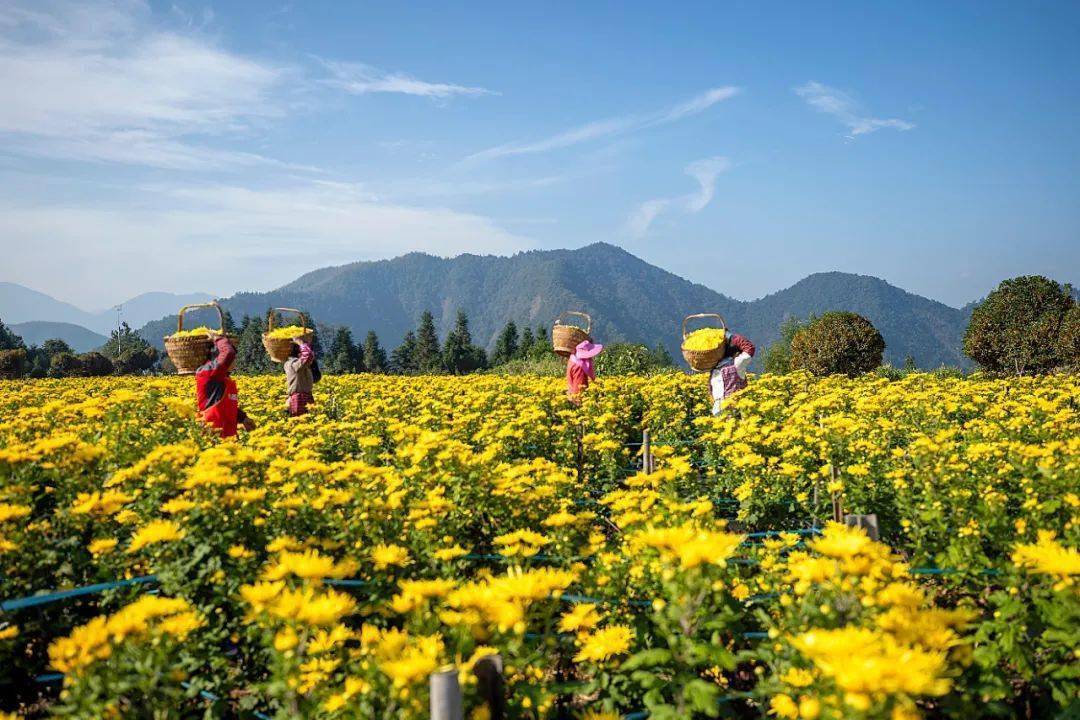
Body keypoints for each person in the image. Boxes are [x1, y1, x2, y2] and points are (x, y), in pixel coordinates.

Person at [195, 332, 256, 438]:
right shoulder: (208, 372)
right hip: (213, 435)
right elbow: (229, 352)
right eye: (233, 360)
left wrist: (243, 418)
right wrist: (218, 338)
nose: (234, 362)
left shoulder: (224, 378)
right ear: (218, 358)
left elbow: (226, 407)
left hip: (228, 436)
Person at [710, 332, 755, 416]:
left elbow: (711, 391)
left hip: (718, 414)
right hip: (736, 411)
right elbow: (749, 348)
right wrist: (730, 336)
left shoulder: (713, 369)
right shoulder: (737, 364)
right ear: (737, 353)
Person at [283, 336, 320, 416]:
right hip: (299, 399)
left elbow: (316, 377)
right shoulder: (293, 364)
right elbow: (308, 355)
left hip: (305, 397)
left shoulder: (299, 365)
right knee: (301, 422)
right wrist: (301, 343)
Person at [566, 339, 603, 404]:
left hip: (571, 395)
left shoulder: (573, 359)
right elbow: (579, 388)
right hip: (577, 400)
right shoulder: (580, 367)